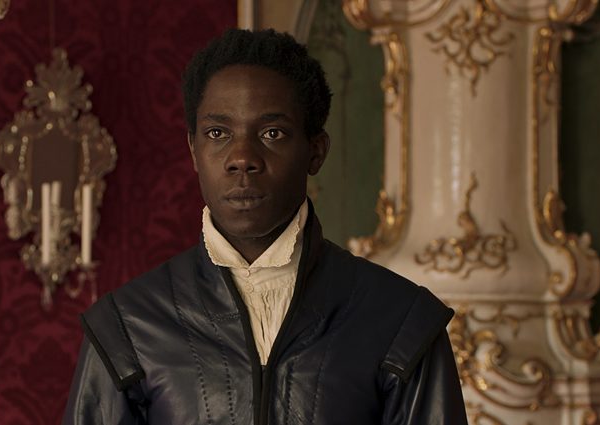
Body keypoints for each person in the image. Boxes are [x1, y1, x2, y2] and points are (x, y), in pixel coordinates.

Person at [63, 28, 467, 424]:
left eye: (272, 133)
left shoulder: (402, 323)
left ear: (316, 151)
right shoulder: (126, 327)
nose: (242, 157)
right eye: (218, 133)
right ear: (194, 150)